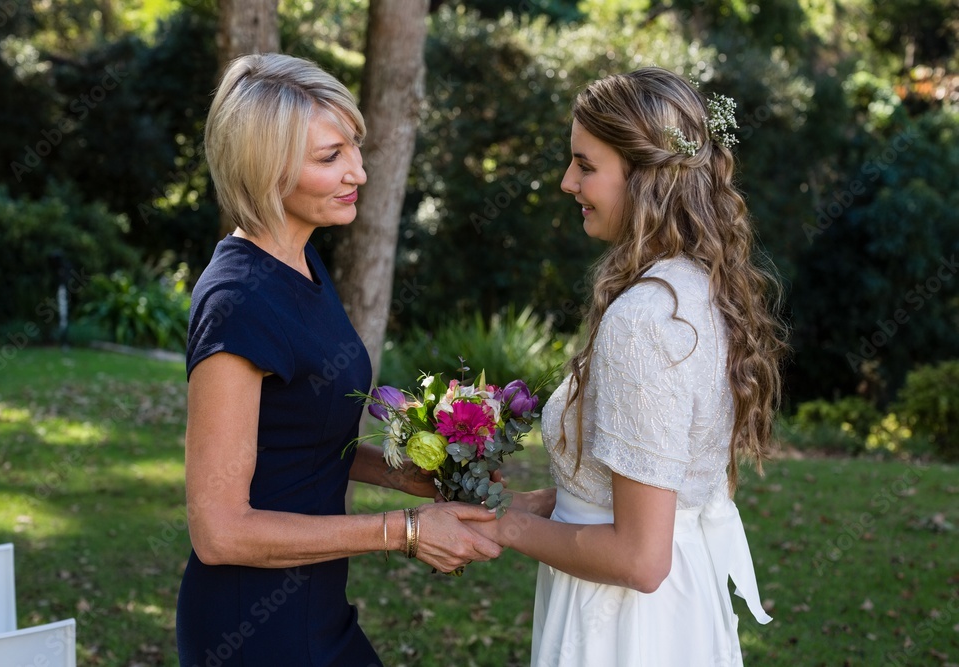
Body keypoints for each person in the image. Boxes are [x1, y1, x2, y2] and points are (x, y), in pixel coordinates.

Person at [175, 53, 502, 667]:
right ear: (265, 169)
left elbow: (298, 441)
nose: (359, 172)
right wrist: (403, 530)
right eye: (330, 157)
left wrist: (419, 477)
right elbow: (219, 532)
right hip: (252, 626)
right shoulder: (238, 300)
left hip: (315, 602)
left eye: (354, 146)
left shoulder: (299, 260)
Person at [474, 67, 788, 665]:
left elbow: (639, 559)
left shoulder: (648, 317)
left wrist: (499, 529)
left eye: (585, 166)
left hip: (628, 626)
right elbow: (645, 486)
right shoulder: (698, 287)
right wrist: (522, 504)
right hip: (677, 605)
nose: (567, 182)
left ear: (647, 178)